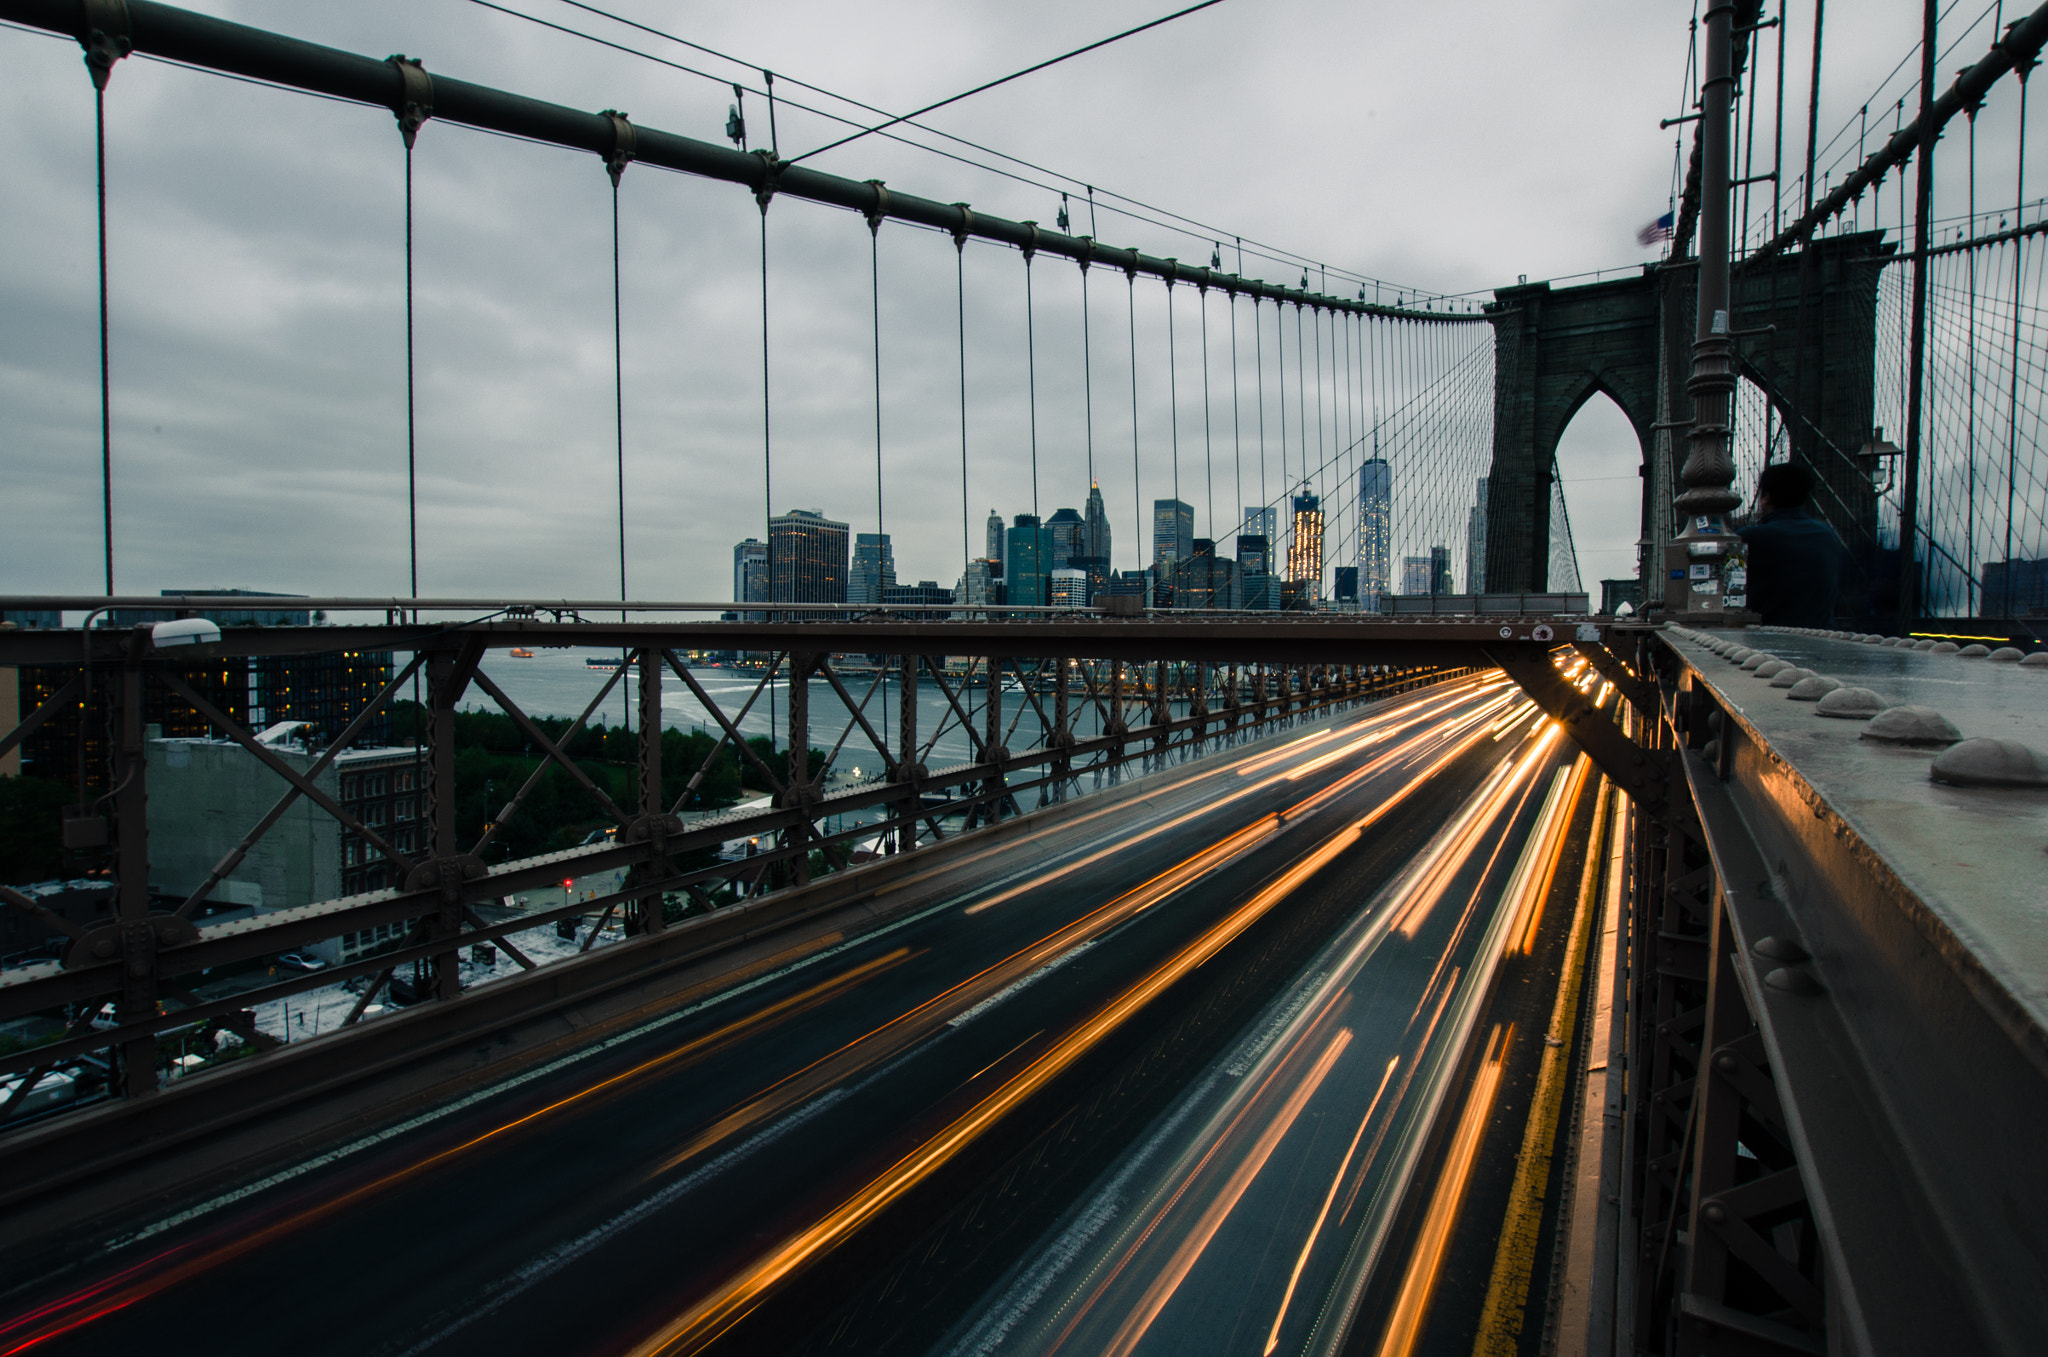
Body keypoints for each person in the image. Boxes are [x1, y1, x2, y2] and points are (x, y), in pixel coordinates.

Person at [1736, 463, 1851, 625]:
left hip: (1764, 640)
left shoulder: (1748, 538)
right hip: (1821, 640)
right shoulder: (1829, 536)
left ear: (1766, 497)